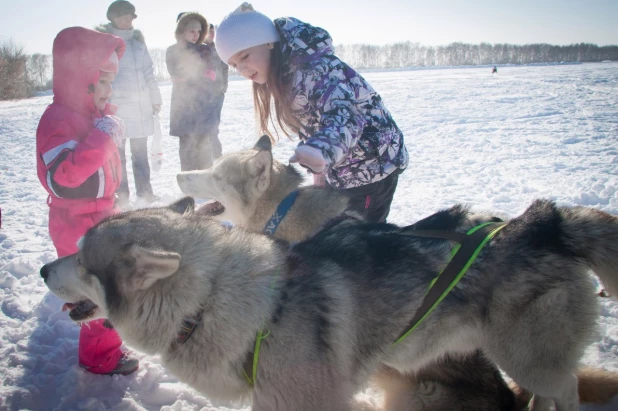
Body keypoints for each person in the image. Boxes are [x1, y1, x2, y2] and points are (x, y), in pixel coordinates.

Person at [215, 3, 409, 222]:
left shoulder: (314, 69)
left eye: (244, 56)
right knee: (339, 236)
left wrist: (321, 151)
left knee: (359, 242)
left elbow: (346, 118)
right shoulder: (288, 73)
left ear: (268, 42)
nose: (241, 69)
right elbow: (313, 123)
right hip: (345, 167)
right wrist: (320, 173)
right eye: (233, 64)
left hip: (372, 166)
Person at [36, 26, 138, 376]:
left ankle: (108, 344)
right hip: (75, 223)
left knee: (110, 284)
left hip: (100, 217)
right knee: (95, 291)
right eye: (104, 81)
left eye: (111, 82)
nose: (109, 91)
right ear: (82, 80)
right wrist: (101, 137)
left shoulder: (94, 118)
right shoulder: (58, 120)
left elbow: (104, 175)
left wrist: (116, 207)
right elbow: (64, 181)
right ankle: (100, 357)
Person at [97, 1, 163, 206]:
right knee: (118, 157)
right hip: (116, 108)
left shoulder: (137, 42)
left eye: (130, 17)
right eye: (122, 16)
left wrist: (155, 97)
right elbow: (100, 74)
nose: (127, 21)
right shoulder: (104, 42)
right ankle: (121, 196)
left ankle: (145, 193)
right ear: (112, 18)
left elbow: (147, 72)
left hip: (140, 106)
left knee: (140, 154)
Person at [166, 12, 218, 171]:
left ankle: (205, 179)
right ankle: (189, 180)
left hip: (204, 104)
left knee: (204, 144)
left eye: (198, 31)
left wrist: (208, 76)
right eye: (191, 31)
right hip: (183, 106)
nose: (196, 35)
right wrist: (201, 75)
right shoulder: (173, 50)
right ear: (182, 31)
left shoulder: (206, 50)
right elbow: (177, 73)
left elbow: (214, 73)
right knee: (187, 144)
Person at [202, 23, 229, 160]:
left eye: (213, 31)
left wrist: (224, 86)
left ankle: (217, 157)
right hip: (203, 95)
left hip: (218, 93)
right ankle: (211, 158)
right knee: (207, 129)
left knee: (213, 128)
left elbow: (225, 67)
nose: (212, 33)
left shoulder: (218, 48)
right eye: (209, 31)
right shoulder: (200, 49)